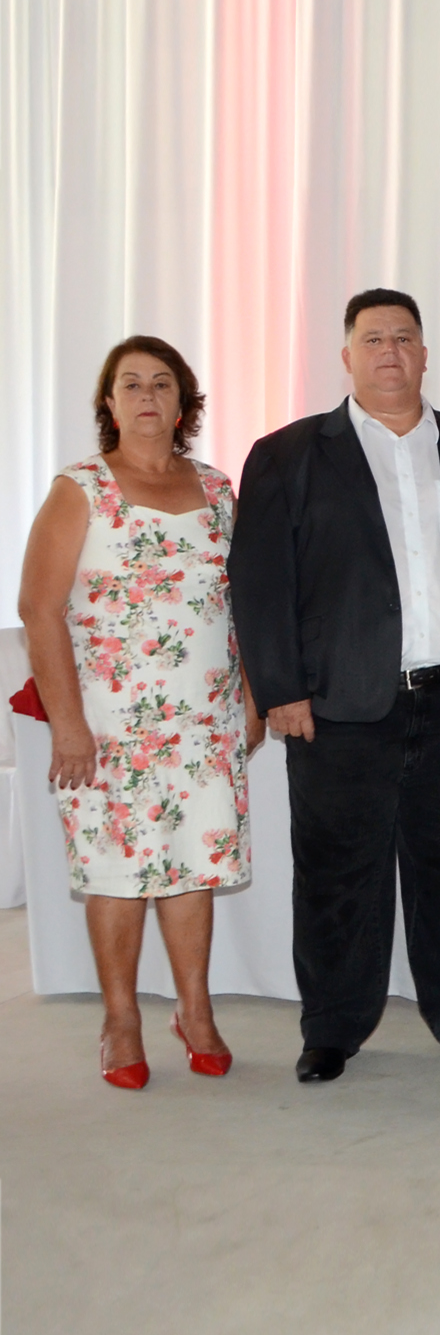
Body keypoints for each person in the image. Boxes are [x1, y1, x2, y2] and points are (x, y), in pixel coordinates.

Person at [231, 290, 440, 1083]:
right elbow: (260, 582)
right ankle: (332, 1028)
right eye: (373, 338)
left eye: (403, 337)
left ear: (424, 354)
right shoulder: (286, 456)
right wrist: (281, 688)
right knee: (336, 875)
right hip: (337, 707)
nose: (389, 350)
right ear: (346, 356)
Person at [18, 338, 258, 1088]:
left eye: (162, 383)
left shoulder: (218, 489)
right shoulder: (80, 488)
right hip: (108, 725)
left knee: (194, 865)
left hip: (204, 720)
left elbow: (245, 603)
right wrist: (67, 726)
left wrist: (251, 697)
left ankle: (195, 1010)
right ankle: (120, 1019)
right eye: (131, 384)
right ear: (110, 403)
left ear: (183, 404)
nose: (147, 395)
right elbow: (39, 608)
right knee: (117, 870)